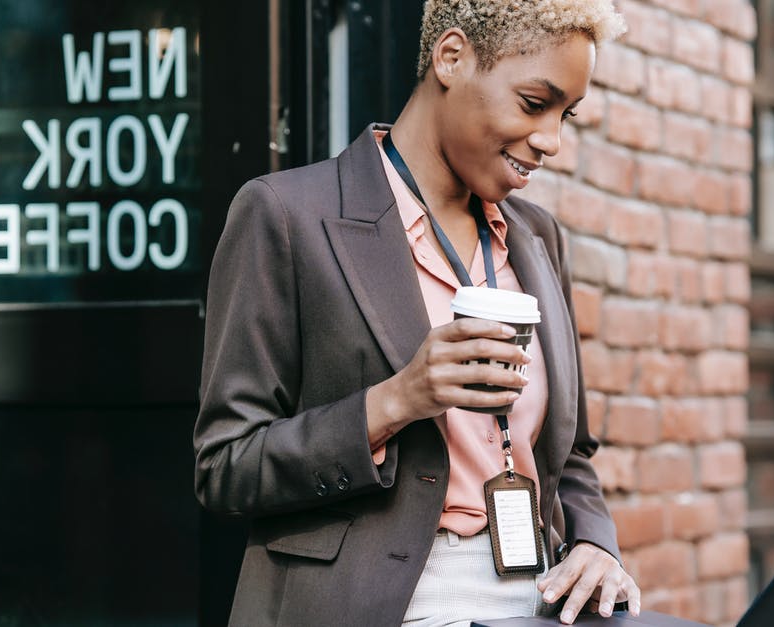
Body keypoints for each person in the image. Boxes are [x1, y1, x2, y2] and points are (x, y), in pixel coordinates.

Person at [193, 1, 640, 625]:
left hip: (536, 596)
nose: (552, 141)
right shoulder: (285, 215)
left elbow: (574, 455)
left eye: (567, 115)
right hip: (369, 605)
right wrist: (397, 400)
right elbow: (226, 467)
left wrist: (595, 542)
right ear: (451, 57)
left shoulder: (537, 238)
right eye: (535, 103)